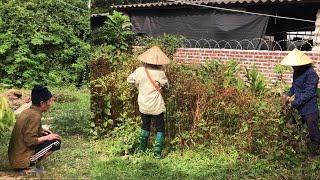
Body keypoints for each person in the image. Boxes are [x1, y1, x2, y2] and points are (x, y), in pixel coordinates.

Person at [127, 46, 170, 157]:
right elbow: (167, 87)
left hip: (143, 105)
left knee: (145, 126)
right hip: (156, 106)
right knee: (160, 128)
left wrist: (138, 84)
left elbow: (129, 80)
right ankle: (157, 153)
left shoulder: (140, 71)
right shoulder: (160, 73)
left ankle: (142, 150)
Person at [8, 85, 61, 175]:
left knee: (46, 134)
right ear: (42, 103)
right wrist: (48, 137)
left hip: (15, 156)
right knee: (56, 141)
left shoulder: (28, 111)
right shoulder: (35, 116)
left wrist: (41, 130)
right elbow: (30, 141)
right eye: (49, 101)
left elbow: (26, 130)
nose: (51, 104)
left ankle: (26, 163)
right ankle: (27, 166)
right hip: (20, 160)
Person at [281, 48, 320, 154]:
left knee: (313, 132)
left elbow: (309, 93)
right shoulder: (297, 72)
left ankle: (315, 152)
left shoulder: (311, 74)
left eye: (294, 65)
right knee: (297, 128)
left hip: (309, 109)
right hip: (299, 107)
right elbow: (294, 86)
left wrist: (294, 103)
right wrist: (288, 95)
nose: (293, 67)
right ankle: (300, 148)